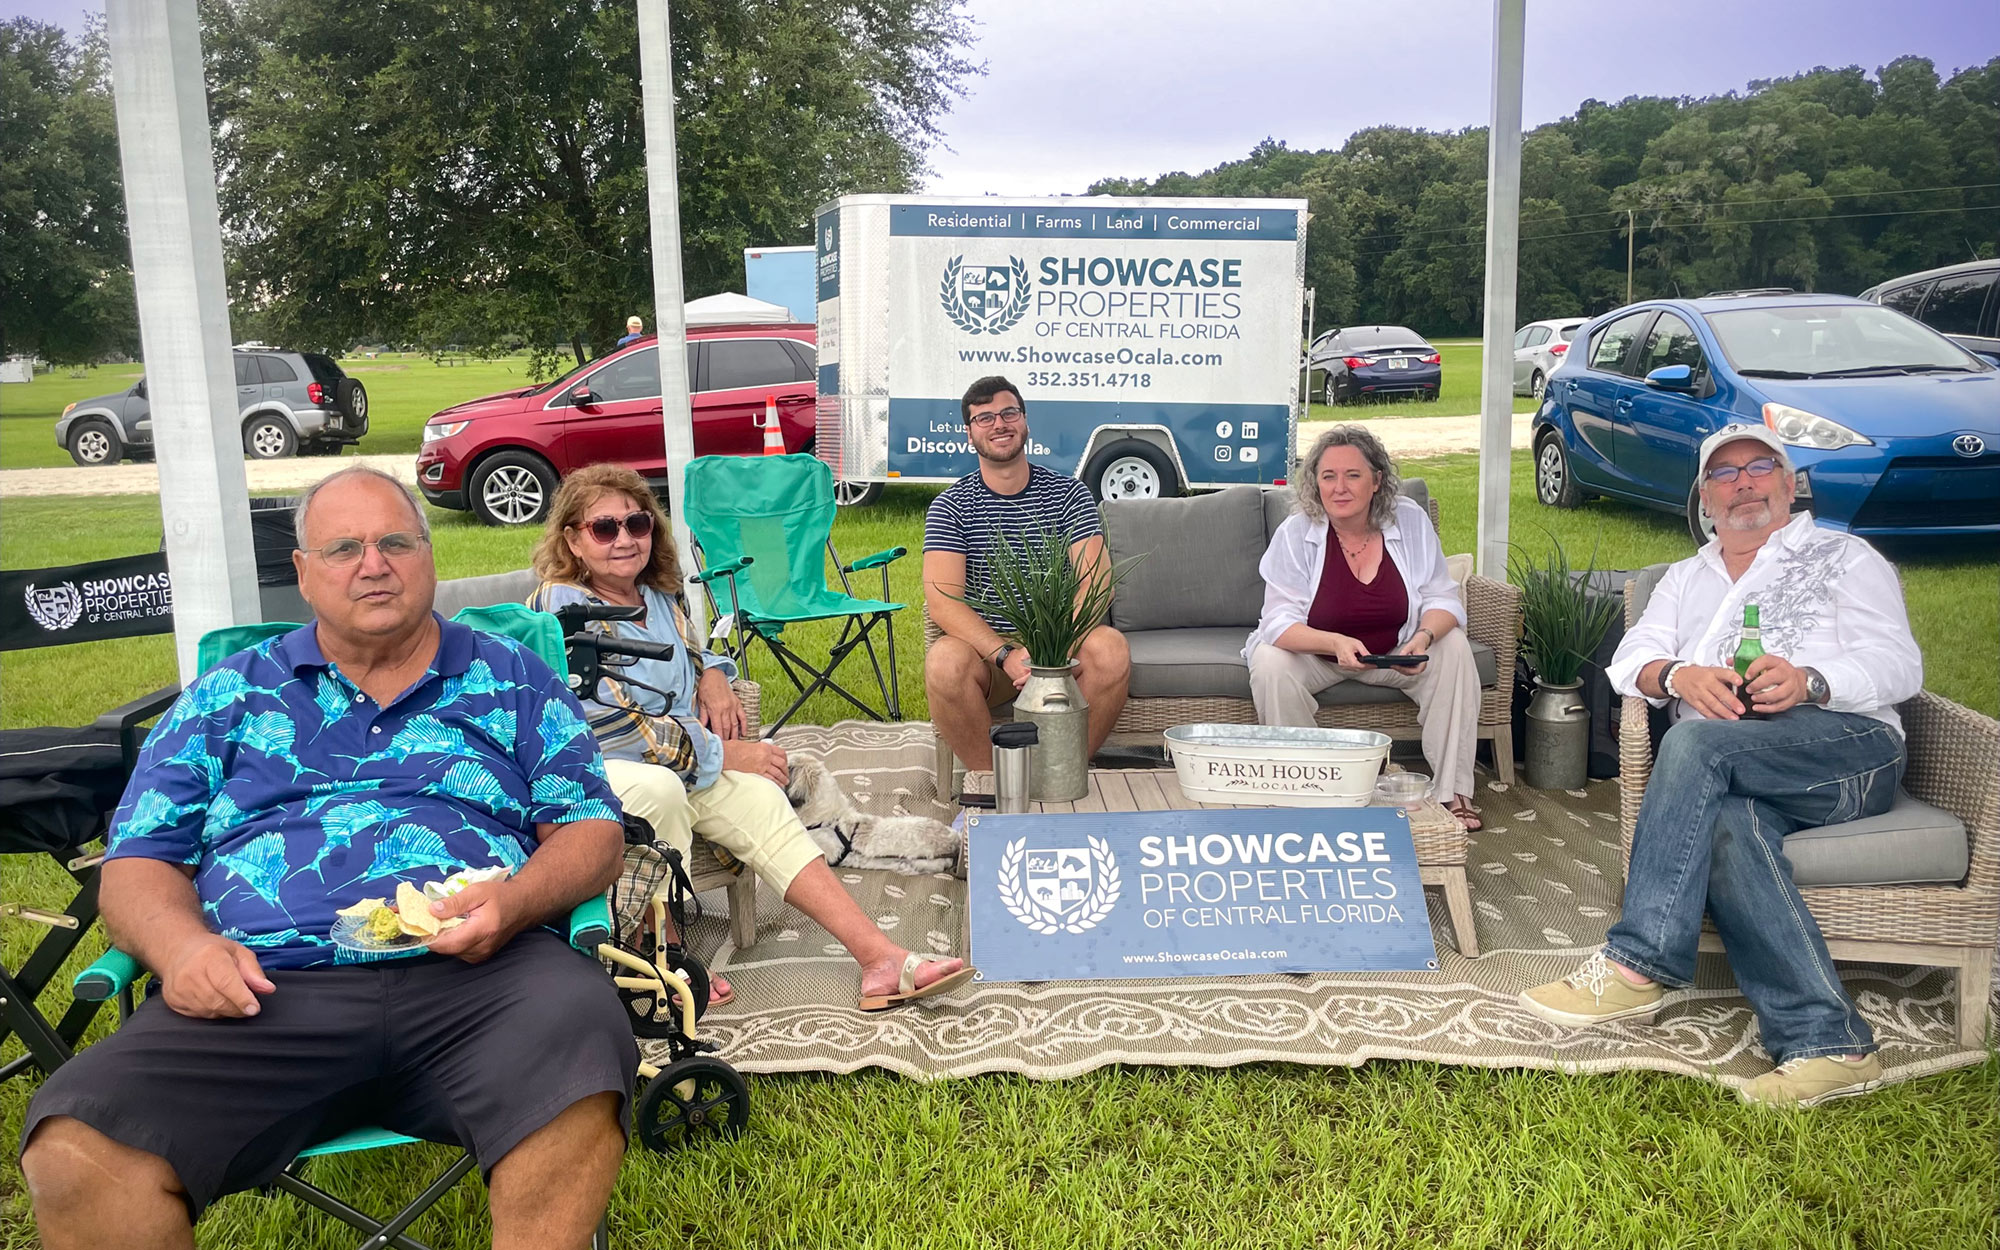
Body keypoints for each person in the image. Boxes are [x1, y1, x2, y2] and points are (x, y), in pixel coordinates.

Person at [20, 467, 632, 1250]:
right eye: (343, 548)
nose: (373, 564)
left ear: (429, 557)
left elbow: (591, 831)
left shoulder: (512, 677)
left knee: (579, 1036)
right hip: (260, 989)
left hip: (487, 973)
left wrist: (513, 905)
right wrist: (182, 950)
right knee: (77, 1150)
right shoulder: (226, 695)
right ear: (304, 574)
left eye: (395, 542)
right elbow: (138, 860)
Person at [1519, 424, 1923, 1107]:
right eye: (1723, 474)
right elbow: (1631, 659)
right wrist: (1679, 676)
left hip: (1846, 752)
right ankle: (1832, 1044)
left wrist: (1811, 680)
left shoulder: (1844, 557)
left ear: (1790, 484)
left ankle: (1639, 962)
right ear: (1705, 498)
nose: (1742, 483)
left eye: (1759, 467)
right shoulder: (1686, 577)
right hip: (1738, 762)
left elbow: (1901, 666)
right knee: (1730, 826)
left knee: (1695, 744)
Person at [526, 463, 972, 1012]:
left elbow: (693, 653)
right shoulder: (562, 608)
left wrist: (715, 673)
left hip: (675, 765)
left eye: (637, 523)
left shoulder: (657, 597)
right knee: (665, 791)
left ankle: (879, 958)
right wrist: (725, 752)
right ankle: (665, 960)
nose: (624, 539)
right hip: (588, 777)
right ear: (572, 537)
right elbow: (610, 727)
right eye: (604, 528)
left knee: (762, 796)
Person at [1244, 425, 1483, 828]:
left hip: (1397, 652)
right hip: (1319, 655)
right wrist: (1334, 641)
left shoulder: (1409, 520)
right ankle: (1309, 792)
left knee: (1454, 647)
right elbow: (1278, 622)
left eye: (1352, 475)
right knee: (1270, 663)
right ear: (1314, 483)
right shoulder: (1297, 531)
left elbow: (1443, 597)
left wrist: (1422, 637)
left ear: (1376, 481)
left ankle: (1452, 793)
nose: (1339, 487)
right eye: (1328, 476)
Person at [923, 375, 1130, 772]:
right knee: (944, 662)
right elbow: (943, 602)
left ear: (1026, 423)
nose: (999, 424)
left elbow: (1097, 585)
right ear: (969, 434)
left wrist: (1052, 652)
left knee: (1111, 648)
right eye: (984, 418)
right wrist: (1006, 657)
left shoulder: (1069, 494)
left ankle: (1061, 773)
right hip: (989, 654)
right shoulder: (950, 507)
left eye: (1008, 413)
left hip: (1063, 643)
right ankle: (992, 783)